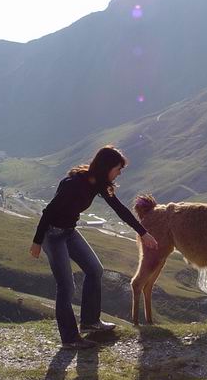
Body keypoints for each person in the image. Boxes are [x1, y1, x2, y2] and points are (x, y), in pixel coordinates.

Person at [30, 145, 158, 349]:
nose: (119, 173)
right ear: (106, 166)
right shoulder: (74, 183)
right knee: (66, 286)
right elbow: (49, 211)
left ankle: (90, 322)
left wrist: (143, 233)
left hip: (69, 231)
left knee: (95, 269)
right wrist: (37, 242)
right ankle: (70, 339)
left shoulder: (99, 184)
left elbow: (120, 210)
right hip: (52, 235)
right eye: (118, 168)